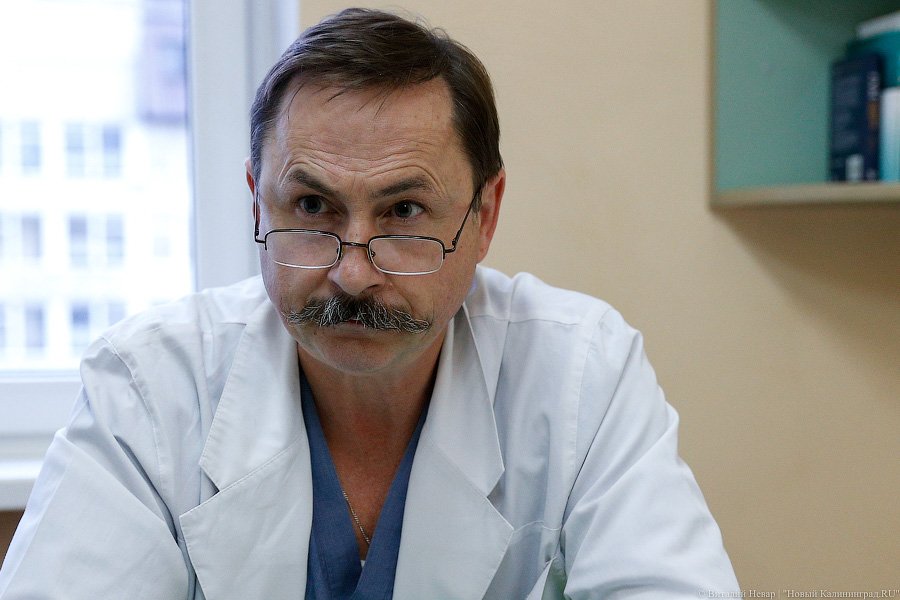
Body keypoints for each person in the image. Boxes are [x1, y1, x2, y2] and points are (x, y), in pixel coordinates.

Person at [0, 8, 739, 599]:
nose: (353, 273)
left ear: (484, 216)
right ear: (256, 204)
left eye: (405, 211)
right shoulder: (150, 386)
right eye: (312, 205)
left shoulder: (583, 375)